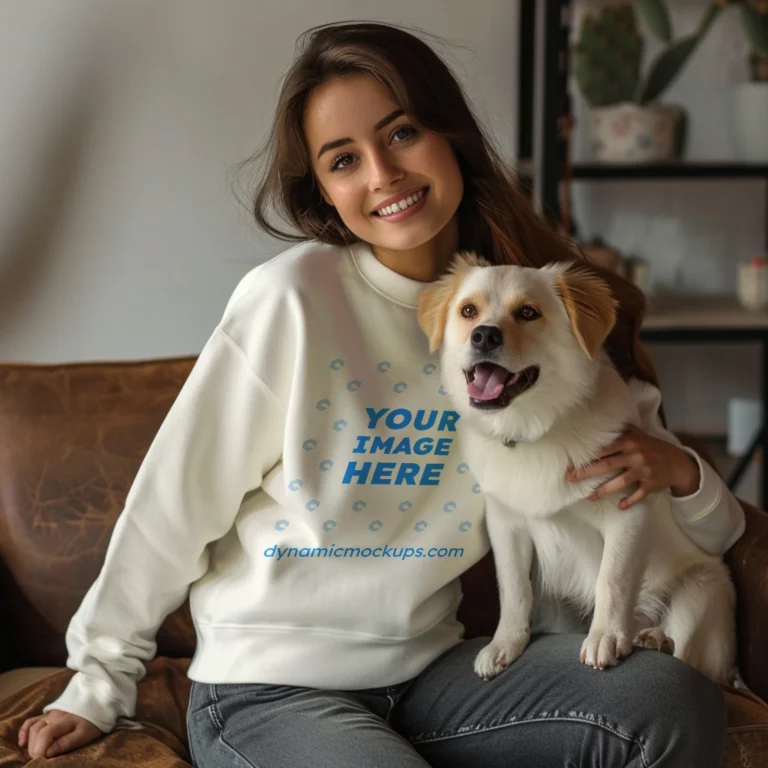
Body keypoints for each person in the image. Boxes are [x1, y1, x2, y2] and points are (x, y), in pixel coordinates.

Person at [18, 20, 744, 767]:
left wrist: (682, 475)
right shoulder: (292, 300)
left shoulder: (532, 309)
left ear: (450, 134)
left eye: (401, 134)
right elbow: (172, 502)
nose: (382, 174)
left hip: (433, 674)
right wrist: (98, 681)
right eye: (343, 160)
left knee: (665, 702)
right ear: (327, 193)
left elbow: (688, 519)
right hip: (270, 690)